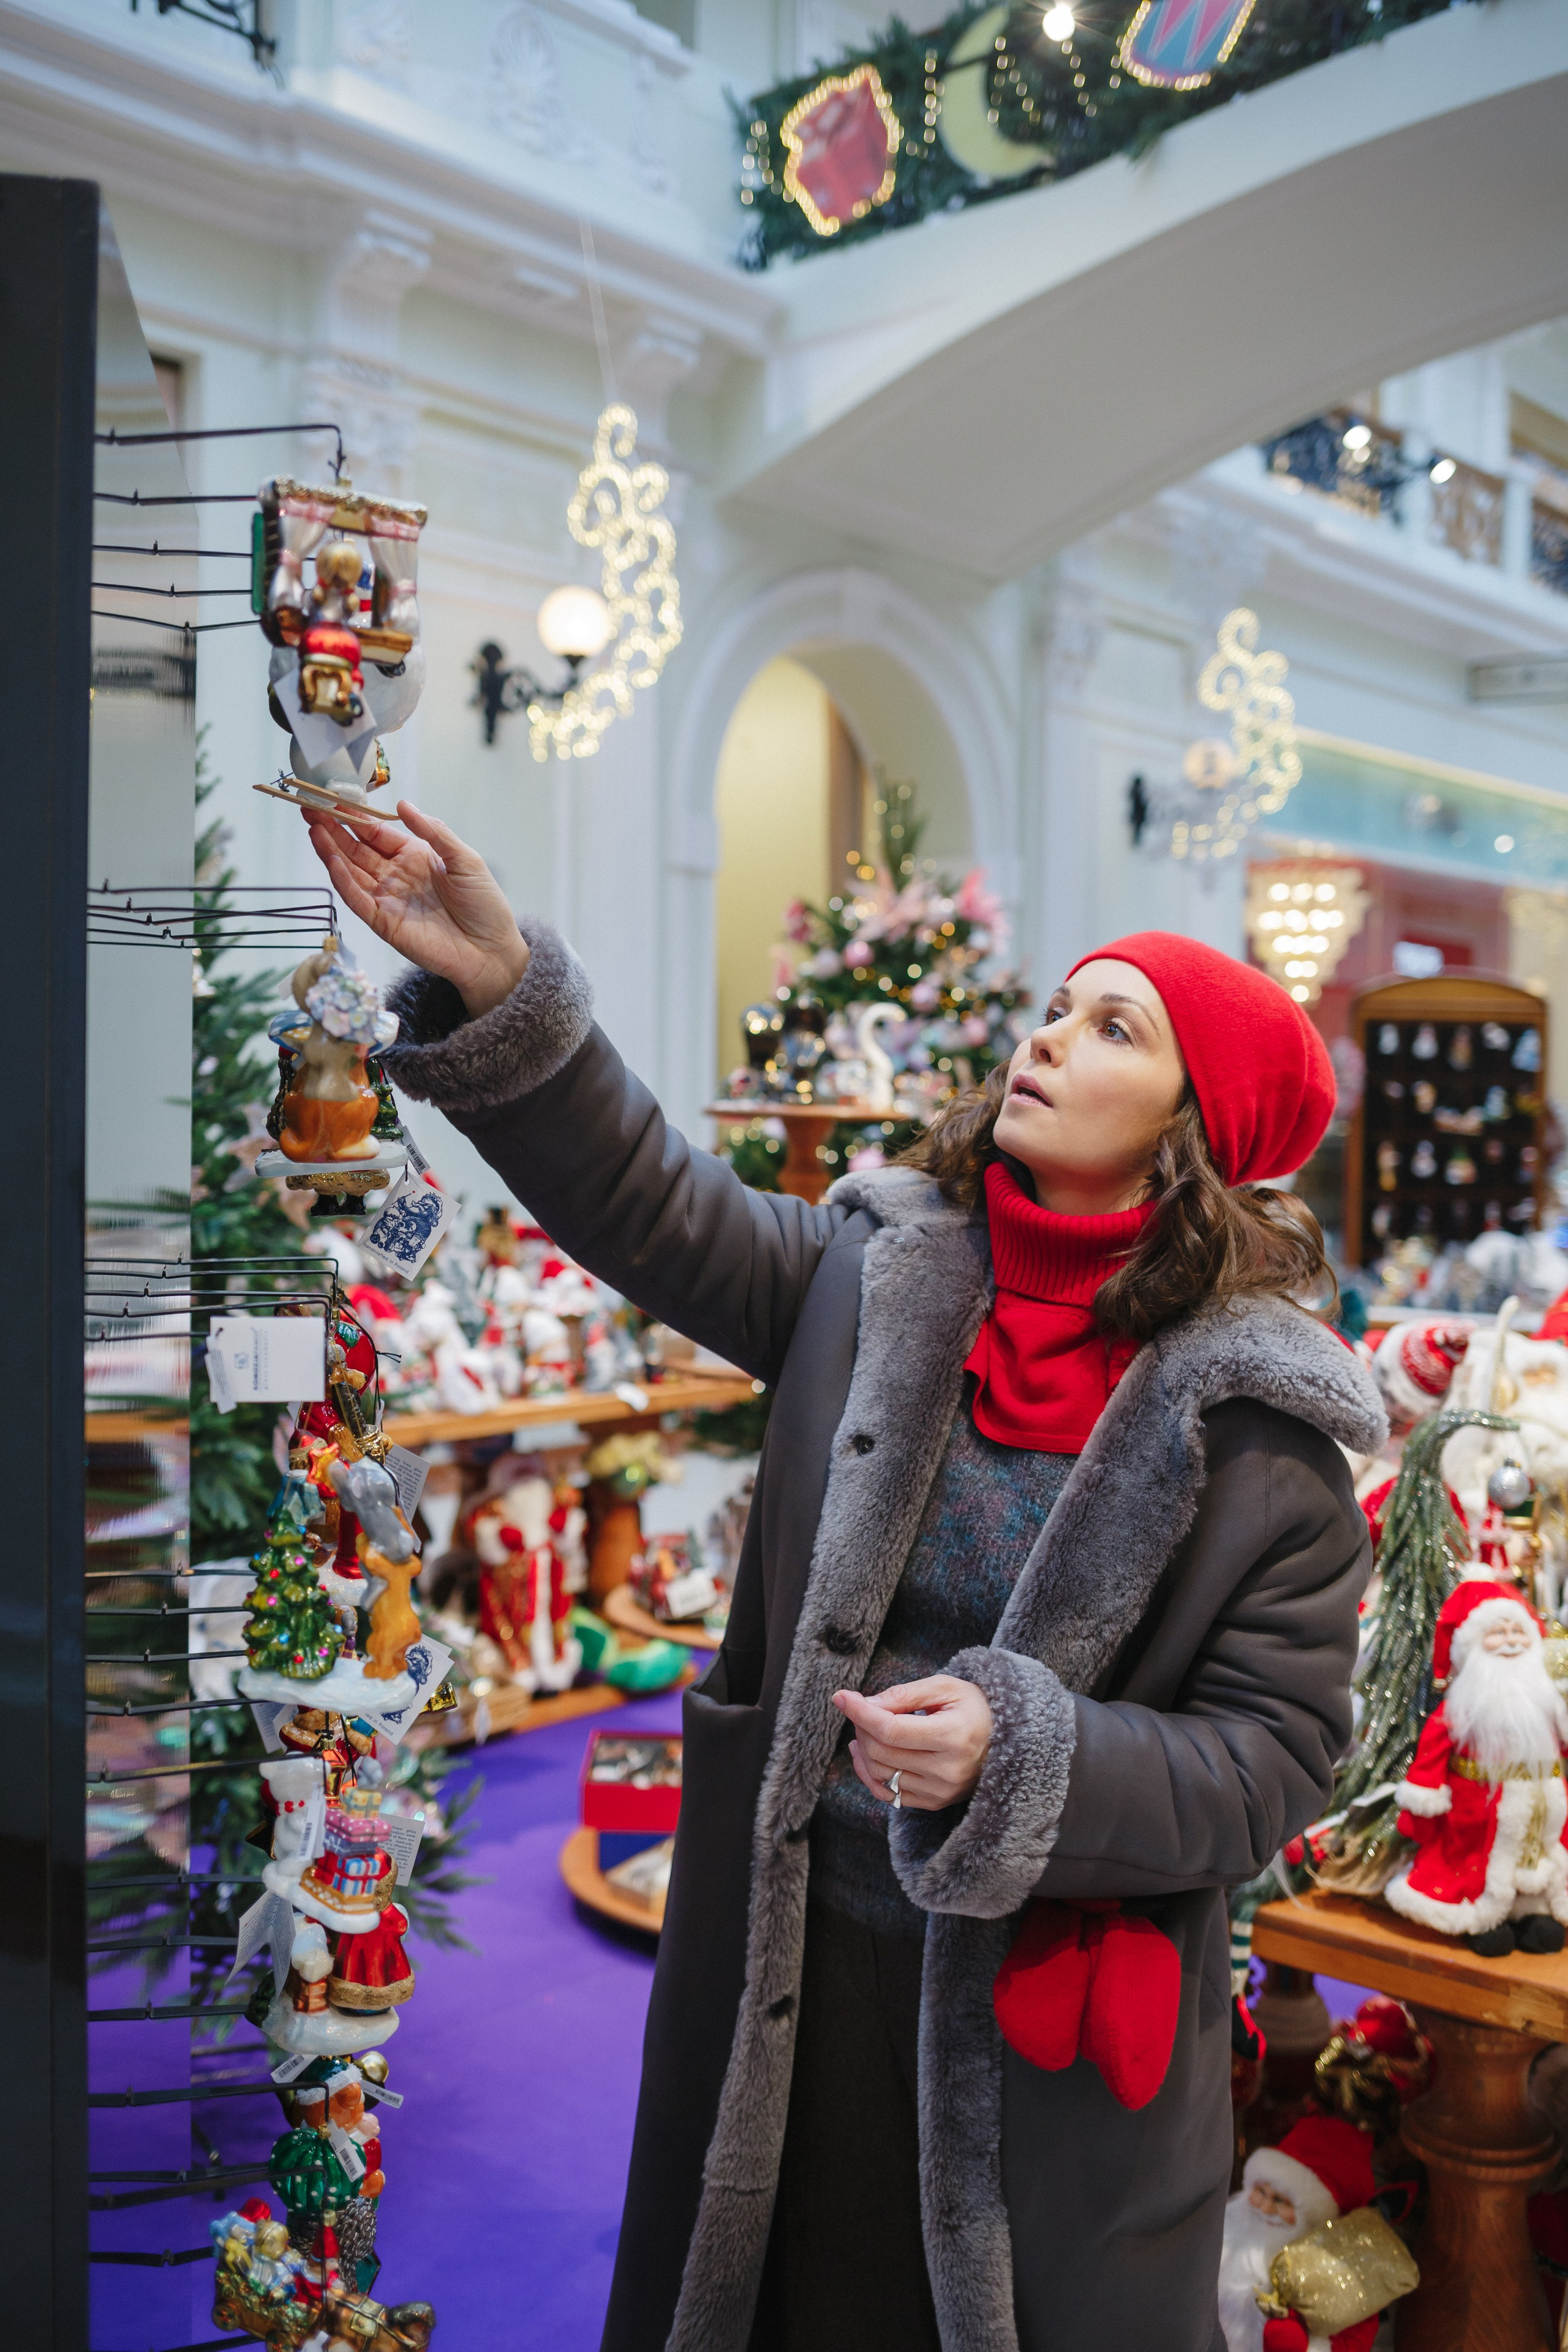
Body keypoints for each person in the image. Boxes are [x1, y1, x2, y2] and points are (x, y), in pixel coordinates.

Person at [304, 802, 1385, 2352]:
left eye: (1110, 1028)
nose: (1046, 1037)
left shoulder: (1266, 1439)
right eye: (1056, 1005)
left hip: (1047, 2030)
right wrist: (502, 984)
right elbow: (651, 1200)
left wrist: (1026, 1757)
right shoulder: (869, 1275)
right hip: (790, 1956)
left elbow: (1273, 1763)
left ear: (1189, 1127)